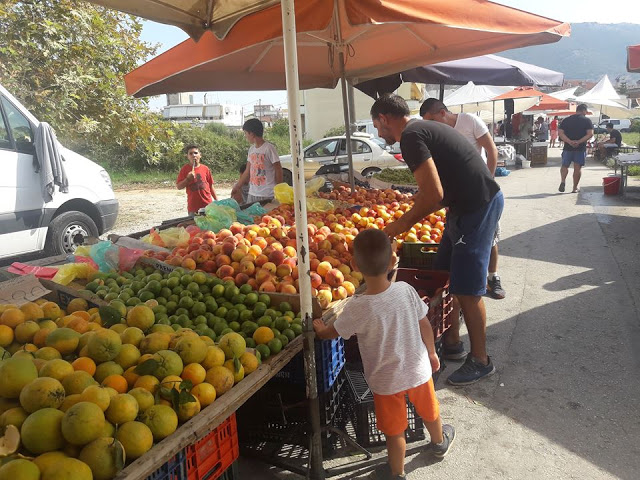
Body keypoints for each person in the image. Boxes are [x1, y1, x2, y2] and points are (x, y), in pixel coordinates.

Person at [374, 94, 503, 386]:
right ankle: (453, 343)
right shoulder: (421, 129)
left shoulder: (410, 136)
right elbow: (433, 188)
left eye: (377, 126)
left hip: (478, 206)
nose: (379, 133)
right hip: (463, 207)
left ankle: (481, 360)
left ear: (384, 118)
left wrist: (398, 226)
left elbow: (433, 195)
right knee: (442, 272)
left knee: (468, 289)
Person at [313, 229, 455, 480]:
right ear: (393, 260)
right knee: (430, 410)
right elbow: (424, 324)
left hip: (385, 381)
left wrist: (321, 330)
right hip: (418, 368)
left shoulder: (357, 306)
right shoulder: (406, 290)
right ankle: (438, 442)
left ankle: (397, 473)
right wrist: (432, 352)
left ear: (354, 265)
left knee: (395, 430)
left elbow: (334, 332)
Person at [420, 99, 505, 301]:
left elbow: (491, 151)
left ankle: (493, 277)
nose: (430, 125)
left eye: (431, 120)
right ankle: (457, 288)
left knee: (490, 236)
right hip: (459, 196)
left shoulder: (469, 121)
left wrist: (487, 183)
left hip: (481, 192)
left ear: (442, 113)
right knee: (457, 236)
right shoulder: (437, 135)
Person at [232, 118, 282, 204]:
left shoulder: (269, 148)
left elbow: (278, 169)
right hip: (252, 193)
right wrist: (237, 186)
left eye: (246, 133)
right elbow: (247, 171)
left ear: (252, 133)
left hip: (267, 194)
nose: (245, 136)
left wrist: (279, 189)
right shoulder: (251, 149)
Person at [558, 104, 594, 193]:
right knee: (577, 168)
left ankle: (563, 181)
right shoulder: (587, 120)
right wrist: (578, 142)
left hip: (567, 147)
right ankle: (574, 188)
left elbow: (561, 133)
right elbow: (590, 134)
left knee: (564, 165)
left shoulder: (566, 120)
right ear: (584, 111)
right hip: (580, 148)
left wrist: (569, 141)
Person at [176, 144, 217, 215]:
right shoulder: (185, 169)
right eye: (190, 153)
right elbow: (179, 187)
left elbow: (210, 185)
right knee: (194, 225)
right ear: (188, 156)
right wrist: (187, 179)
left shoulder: (205, 169)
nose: (193, 155)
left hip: (207, 205)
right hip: (193, 207)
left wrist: (216, 200)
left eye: (196, 153)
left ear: (200, 155)